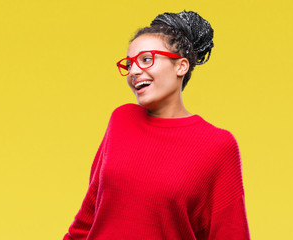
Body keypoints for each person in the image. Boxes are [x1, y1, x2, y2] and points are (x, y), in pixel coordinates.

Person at [63, 10, 250, 240]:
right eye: (130, 64)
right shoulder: (121, 120)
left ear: (181, 66)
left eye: (146, 59)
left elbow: (230, 233)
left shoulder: (217, 145)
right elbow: (88, 219)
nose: (133, 71)